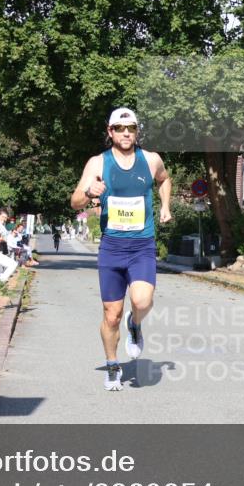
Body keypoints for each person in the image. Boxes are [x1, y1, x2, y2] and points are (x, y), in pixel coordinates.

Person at [70, 107, 171, 391]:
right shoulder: (97, 163)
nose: (126, 133)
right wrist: (88, 193)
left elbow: (164, 179)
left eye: (132, 129)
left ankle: (135, 324)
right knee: (111, 315)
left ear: (137, 132)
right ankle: (113, 366)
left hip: (142, 245)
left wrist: (165, 206)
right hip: (112, 247)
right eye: (120, 128)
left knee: (142, 301)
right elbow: (75, 201)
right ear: (110, 131)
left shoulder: (150, 160)